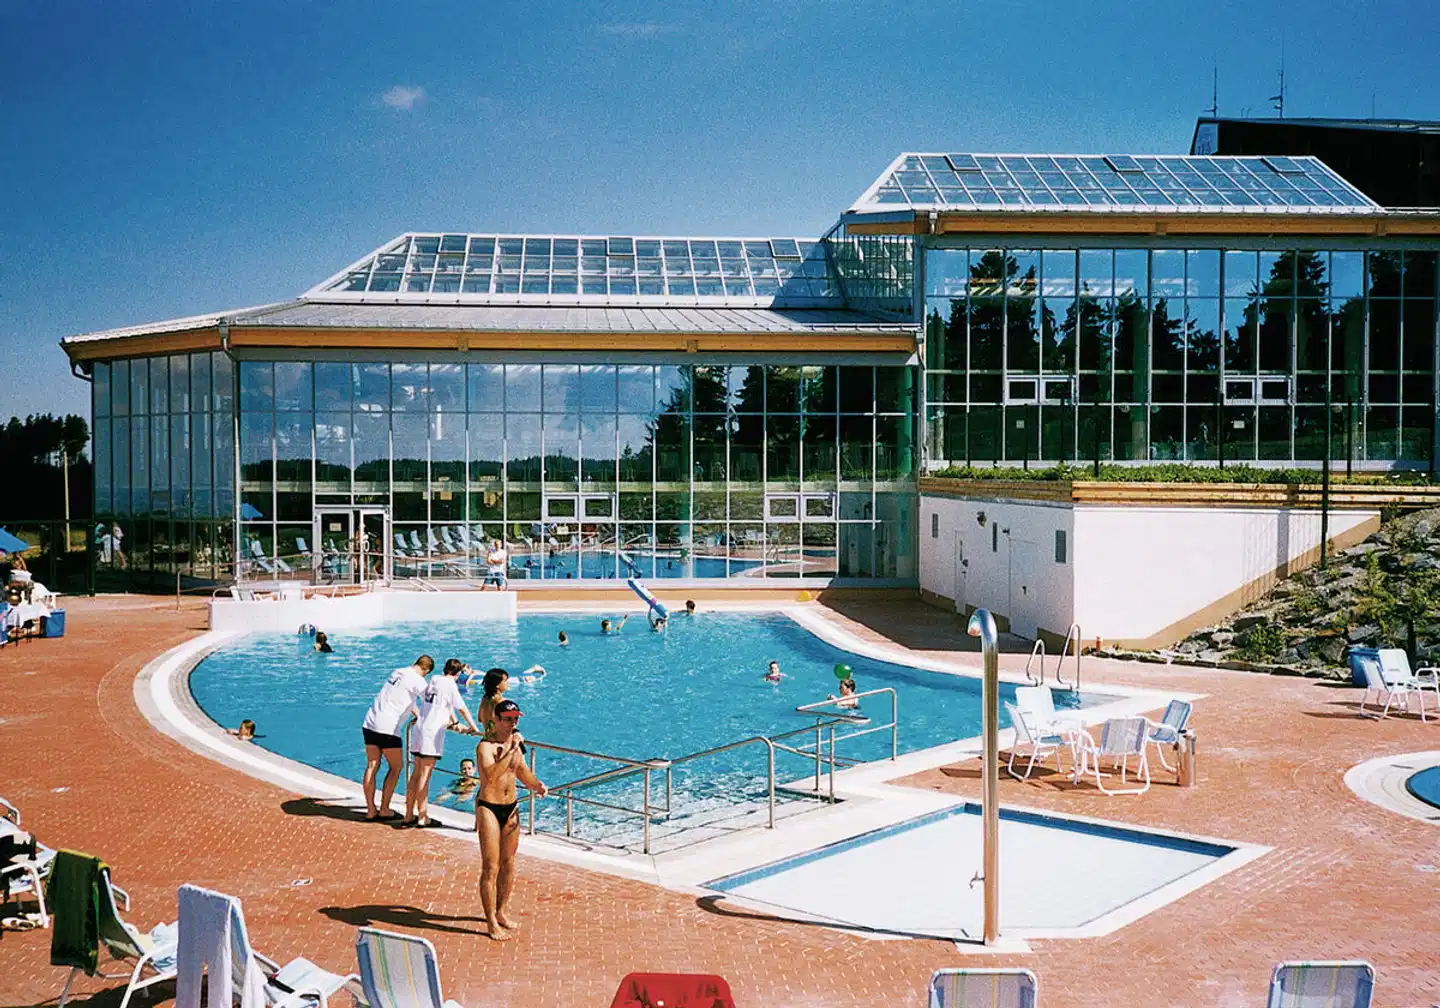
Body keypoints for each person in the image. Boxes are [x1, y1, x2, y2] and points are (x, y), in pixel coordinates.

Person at [474, 699, 547, 940]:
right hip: (489, 808)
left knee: (509, 863)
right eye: (508, 720)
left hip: (511, 807)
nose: (512, 724)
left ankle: (501, 910)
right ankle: (491, 922)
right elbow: (491, 776)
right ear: (495, 720)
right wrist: (513, 749)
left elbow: (521, 771)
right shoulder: (484, 747)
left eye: (515, 719)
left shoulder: (515, 746)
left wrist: (536, 785)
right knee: (491, 867)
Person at [405, 658, 482, 827]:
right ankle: (422, 817)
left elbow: (446, 706)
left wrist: (454, 723)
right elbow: (461, 708)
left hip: (419, 729)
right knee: (424, 777)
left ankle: (409, 814)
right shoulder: (450, 685)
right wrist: (473, 727)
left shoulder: (434, 680)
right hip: (431, 735)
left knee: (415, 775)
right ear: (458, 673)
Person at [361, 655, 433, 821]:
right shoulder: (419, 681)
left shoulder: (398, 672)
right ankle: (385, 809)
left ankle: (371, 810)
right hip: (388, 728)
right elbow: (430, 702)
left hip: (370, 722)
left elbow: (403, 698)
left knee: (372, 765)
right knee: (396, 767)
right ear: (426, 671)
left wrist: (417, 714)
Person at [478, 667, 511, 739]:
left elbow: (480, 719)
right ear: (497, 685)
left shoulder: (485, 699)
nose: (508, 683)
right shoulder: (501, 702)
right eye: (505, 681)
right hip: (499, 742)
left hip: (487, 738)